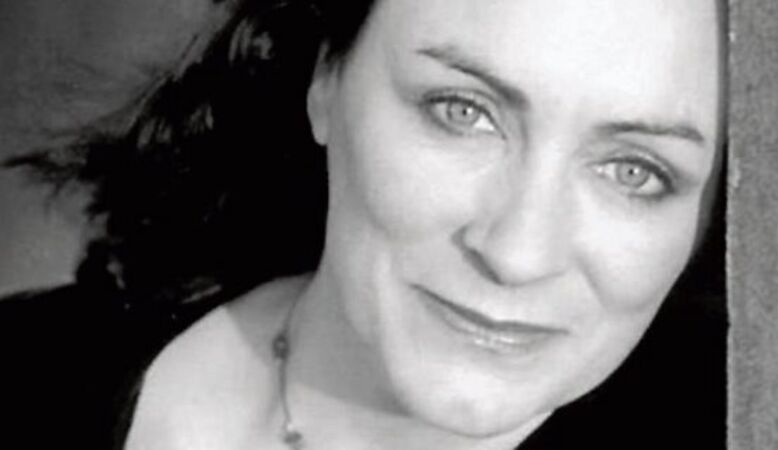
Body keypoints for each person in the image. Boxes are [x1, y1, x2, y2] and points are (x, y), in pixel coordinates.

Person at [1, 0, 726, 448]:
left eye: (635, 171)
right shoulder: (25, 372)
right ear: (327, 79)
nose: (517, 253)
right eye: (462, 112)